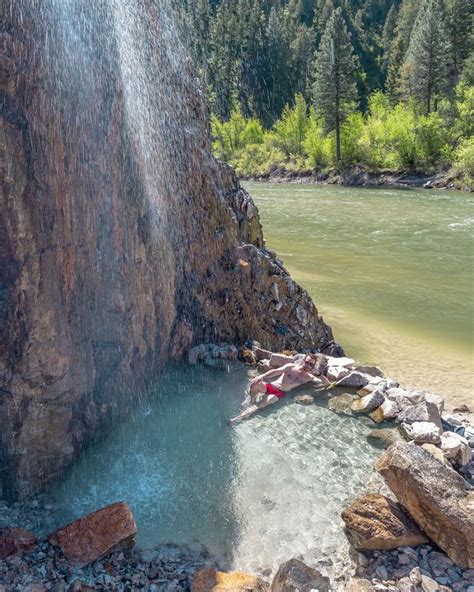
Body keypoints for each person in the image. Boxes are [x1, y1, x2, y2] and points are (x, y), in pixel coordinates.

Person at [229, 354, 333, 426]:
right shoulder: (291, 367)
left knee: (262, 404)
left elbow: (328, 384)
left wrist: (319, 374)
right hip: (271, 386)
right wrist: (262, 376)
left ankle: (238, 419)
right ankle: (251, 399)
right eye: (307, 362)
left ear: (313, 366)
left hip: (279, 393)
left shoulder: (309, 377)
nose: (308, 365)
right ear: (303, 361)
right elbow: (276, 371)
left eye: (311, 364)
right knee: (255, 383)